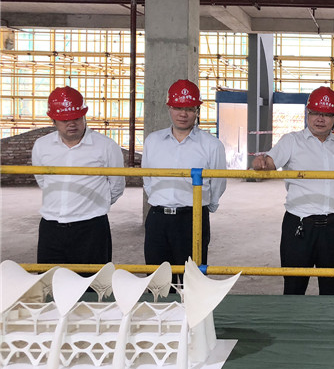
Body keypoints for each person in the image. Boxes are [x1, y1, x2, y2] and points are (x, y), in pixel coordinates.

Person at [252, 86, 334, 295]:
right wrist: (261, 162)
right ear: (307, 113)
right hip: (299, 227)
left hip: (333, 227)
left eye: (326, 114)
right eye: (315, 113)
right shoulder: (291, 141)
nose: (320, 119)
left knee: (332, 291)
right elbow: (270, 162)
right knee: (294, 288)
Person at [31, 86, 125, 265]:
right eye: (64, 120)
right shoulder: (42, 146)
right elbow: (42, 180)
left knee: (92, 281)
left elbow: (117, 186)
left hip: (91, 229)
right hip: (51, 227)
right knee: (50, 279)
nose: (71, 124)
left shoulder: (106, 146)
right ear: (53, 120)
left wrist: (94, 206)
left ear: (84, 116)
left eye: (76, 118)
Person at [142, 79, 226, 270]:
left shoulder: (211, 145)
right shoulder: (153, 141)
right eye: (178, 108)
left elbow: (218, 182)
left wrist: (206, 206)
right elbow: (147, 178)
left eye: (189, 109)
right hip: (157, 219)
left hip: (193, 219)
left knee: (192, 278)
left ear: (197, 110)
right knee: (158, 278)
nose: (183, 114)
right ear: (169, 108)